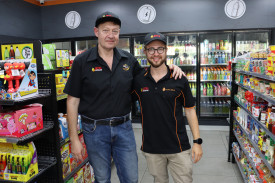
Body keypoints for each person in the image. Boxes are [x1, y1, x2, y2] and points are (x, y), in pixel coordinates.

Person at [64, 12, 184, 183]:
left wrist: (170, 67)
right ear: (96, 32)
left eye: (115, 31)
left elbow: (148, 77)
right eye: (106, 30)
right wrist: (74, 139)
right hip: (94, 130)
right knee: (102, 178)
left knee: (131, 178)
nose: (111, 35)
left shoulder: (129, 60)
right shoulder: (82, 61)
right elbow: (72, 100)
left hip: (124, 128)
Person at [132, 32, 203, 183]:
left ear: (166, 51)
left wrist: (197, 142)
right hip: (151, 148)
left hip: (179, 147)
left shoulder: (179, 78)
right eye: (151, 49)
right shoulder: (138, 80)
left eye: (160, 49)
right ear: (145, 52)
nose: (155, 54)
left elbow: (190, 111)